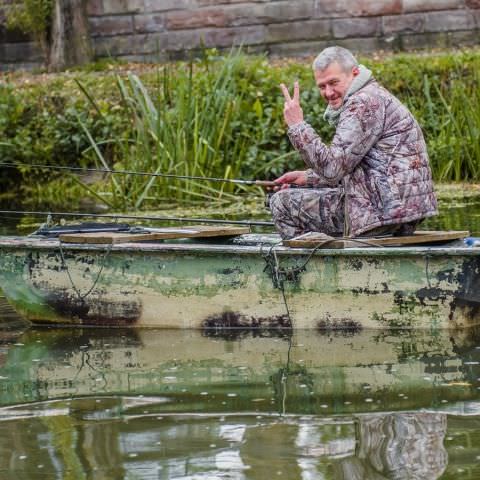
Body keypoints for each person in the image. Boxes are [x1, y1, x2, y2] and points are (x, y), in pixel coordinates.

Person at [269, 46, 438, 239]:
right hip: (397, 210)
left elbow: (332, 169)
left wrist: (297, 126)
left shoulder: (362, 103)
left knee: (281, 203)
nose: (329, 92)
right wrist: (308, 179)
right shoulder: (373, 95)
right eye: (322, 86)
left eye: (333, 82)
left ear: (355, 73)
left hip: (382, 211)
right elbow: (359, 168)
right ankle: (332, 255)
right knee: (300, 192)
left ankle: (310, 267)